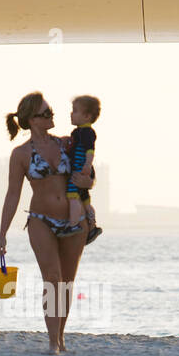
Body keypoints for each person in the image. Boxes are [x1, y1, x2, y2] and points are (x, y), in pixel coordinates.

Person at [0, 91, 93, 354]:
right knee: (52, 278)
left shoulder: (66, 144)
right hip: (41, 220)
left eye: (52, 112)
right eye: (46, 113)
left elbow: (87, 172)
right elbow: (13, 194)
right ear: (32, 119)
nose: (52, 116)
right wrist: (2, 234)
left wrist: (89, 181)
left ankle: (61, 337)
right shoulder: (20, 154)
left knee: (66, 283)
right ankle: (53, 343)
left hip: (74, 220)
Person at [66, 94, 103, 244]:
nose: (71, 114)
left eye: (75, 111)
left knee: (72, 196)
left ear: (87, 116)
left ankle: (73, 226)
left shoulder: (86, 132)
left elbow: (90, 150)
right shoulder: (78, 132)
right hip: (82, 169)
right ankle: (92, 225)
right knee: (86, 201)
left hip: (80, 169)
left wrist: (87, 165)